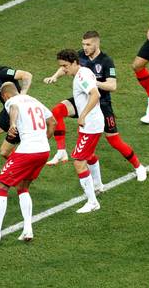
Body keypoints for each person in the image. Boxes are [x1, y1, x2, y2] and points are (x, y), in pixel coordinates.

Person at [44, 31, 147, 185]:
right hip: (82, 101)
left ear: (96, 44)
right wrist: (55, 76)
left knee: (114, 141)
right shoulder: (80, 56)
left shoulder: (106, 61)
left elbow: (112, 85)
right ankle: (61, 151)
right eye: (83, 44)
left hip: (101, 103)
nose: (84, 48)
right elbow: (65, 65)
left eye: (88, 44)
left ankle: (139, 167)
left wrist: (91, 83)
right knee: (57, 111)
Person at [0, 82, 56, 242]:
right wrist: (44, 139)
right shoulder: (34, 100)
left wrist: (12, 123)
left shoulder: (12, 101)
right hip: (44, 151)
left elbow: (14, 109)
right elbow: (52, 122)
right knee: (23, 187)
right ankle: (27, 230)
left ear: (6, 96)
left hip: (27, 151)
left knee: (2, 185)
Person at [54, 49, 105, 213]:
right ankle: (98, 185)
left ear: (75, 62)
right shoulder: (84, 71)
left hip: (90, 125)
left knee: (78, 162)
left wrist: (82, 115)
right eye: (61, 66)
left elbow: (95, 94)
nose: (64, 69)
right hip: (93, 123)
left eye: (66, 66)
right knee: (89, 155)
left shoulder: (81, 76)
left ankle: (92, 202)